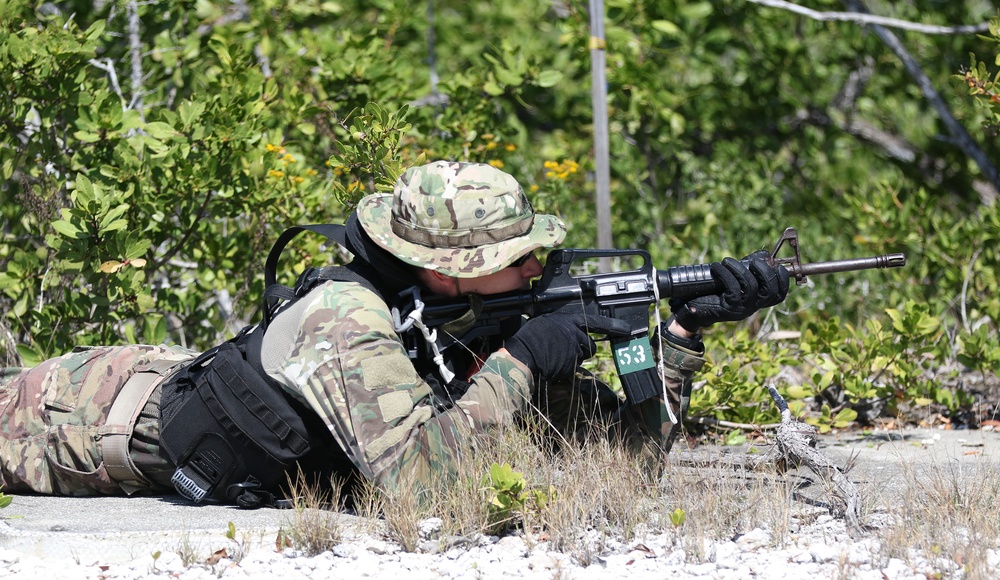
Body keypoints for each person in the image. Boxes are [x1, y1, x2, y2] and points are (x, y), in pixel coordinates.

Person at [0, 160, 789, 504]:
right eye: (514, 259)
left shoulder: (463, 321)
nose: (536, 268)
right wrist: (521, 362)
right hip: (72, 420)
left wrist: (679, 334)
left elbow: (622, 467)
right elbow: (426, 487)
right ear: (443, 268)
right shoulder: (348, 320)